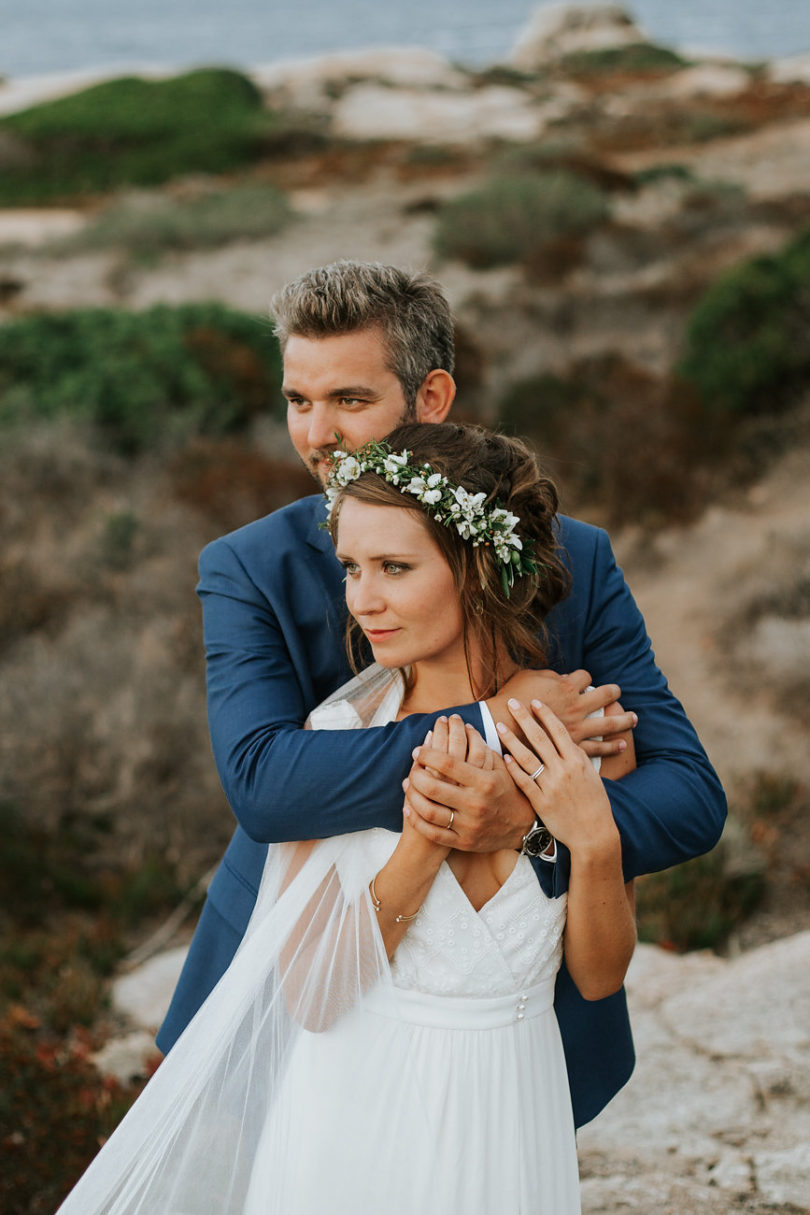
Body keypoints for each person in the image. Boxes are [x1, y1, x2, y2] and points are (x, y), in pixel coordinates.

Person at [158, 261, 726, 1129]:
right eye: (297, 401)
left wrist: (527, 822)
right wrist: (498, 725)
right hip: (296, 988)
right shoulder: (247, 568)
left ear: (431, 396)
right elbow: (266, 784)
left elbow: (688, 796)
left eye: (348, 400)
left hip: (505, 1018)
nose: (317, 435)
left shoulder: (573, 558)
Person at [57, 423, 637, 1214]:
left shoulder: (576, 732)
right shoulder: (336, 745)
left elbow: (600, 976)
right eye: (353, 568)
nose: (363, 599)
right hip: (351, 1124)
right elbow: (311, 996)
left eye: (395, 567)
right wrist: (423, 842)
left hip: (512, 1118)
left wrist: (594, 836)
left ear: (478, 569)